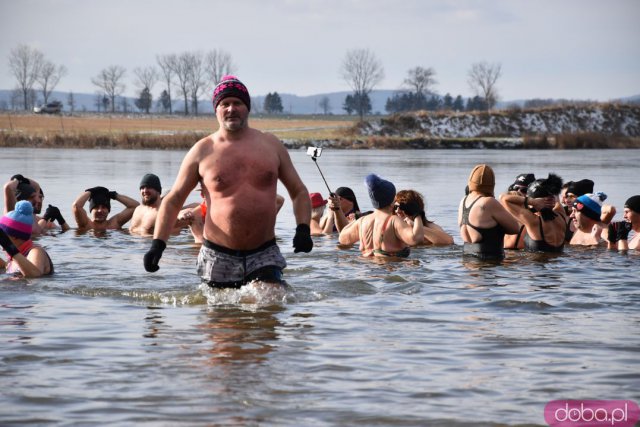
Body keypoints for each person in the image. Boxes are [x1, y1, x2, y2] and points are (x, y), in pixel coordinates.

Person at [143, 75, 312, 288]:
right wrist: (158, 245)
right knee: (222, 319)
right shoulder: (202, 151)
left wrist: (303, 229)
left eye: (237, 103)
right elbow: (174, 199)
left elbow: (298, 191)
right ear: (216, 110)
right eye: (225, 104)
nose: (231, 109)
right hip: (218, 255)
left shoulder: (271, 145)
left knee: (270, 305)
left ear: (247, 108)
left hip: (264, 252)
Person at [339, 174, 423, 257]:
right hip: (388, 268)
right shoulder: (394, 220)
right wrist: (417, 214)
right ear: (391, 200)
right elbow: (415, 239)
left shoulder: (362, 221)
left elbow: (342, 239)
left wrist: (358, 219)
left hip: (364, 267)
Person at [458, 164, 520, 260]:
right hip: (488, 263)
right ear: (491, 185)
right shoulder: (489, 202)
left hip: (466, 260)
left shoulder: (463, 200)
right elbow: (515, 228)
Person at [500, 173, 567, 253]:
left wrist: (532, 201)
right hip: (559, 262)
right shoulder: (561, 213)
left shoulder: (533, 221)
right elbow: (555, 198)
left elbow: (503, 199)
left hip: (537, 263)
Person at [0, 200, 53, 277]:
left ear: (16, 236)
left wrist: (9, 246)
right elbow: (6, 266)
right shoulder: (14, 258)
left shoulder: (36, 251)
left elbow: (35, 275)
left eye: (4, 237)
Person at [3, 174, 69, 234]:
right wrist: (16, 179)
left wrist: (61, 219)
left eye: (40, 197)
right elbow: (8, 188)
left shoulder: (34, 218)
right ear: (19, 200)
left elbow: (36, 186)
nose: (38, 200)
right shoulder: (12, 214)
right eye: (32, 197)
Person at [72, 186, 139, 231]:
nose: (100, 210)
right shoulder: (85, 224)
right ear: (91, 210)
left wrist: (115, 195)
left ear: (108, 210)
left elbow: (136, 206)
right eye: (96, 207)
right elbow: (76, 206)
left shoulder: (115, 224)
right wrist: (90, 192)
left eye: (104, 207)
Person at [503, 173, 535, 250]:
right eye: (515, 188)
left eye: (524, 190)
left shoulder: (535, 219)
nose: (519, 192)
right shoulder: (501, 216)